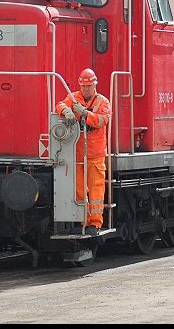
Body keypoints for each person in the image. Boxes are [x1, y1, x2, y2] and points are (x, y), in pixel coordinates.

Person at [55, 68, 112, 235]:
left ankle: (95, 223)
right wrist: (65, 111)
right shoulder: (74, 97)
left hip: (95, 154)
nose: (86, 89)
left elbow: (102, 120)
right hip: (78, 154)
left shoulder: (103, 102)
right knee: (79, 189)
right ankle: (83, 220)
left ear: (95, 85)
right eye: (84, 86)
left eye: (89, 86)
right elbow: (60, 104)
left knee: (96, 190)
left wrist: (84, 113)